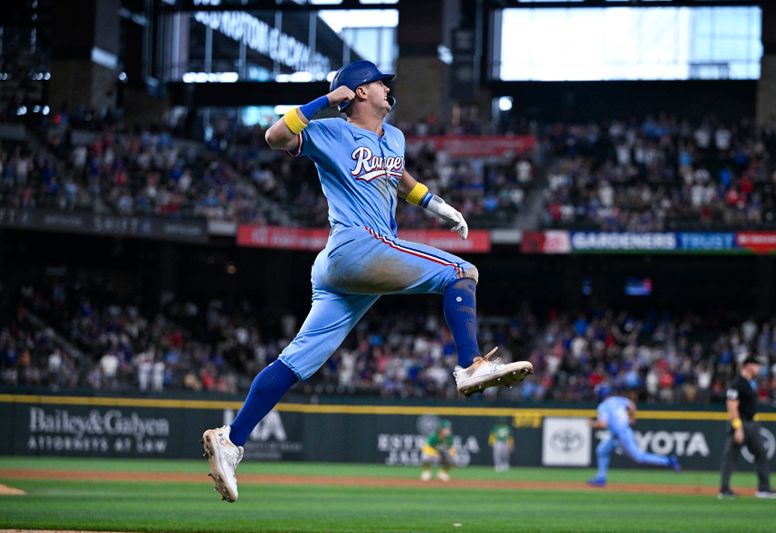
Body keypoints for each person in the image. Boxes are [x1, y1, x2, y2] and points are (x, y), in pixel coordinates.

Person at [200, 60, 533, 502]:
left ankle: (232, 439)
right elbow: (274, 136)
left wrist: (438, 206)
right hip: (357, 245)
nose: (387, 88)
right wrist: (324, 101)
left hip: (350, 271)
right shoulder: (330, 131)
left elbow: (398, 179)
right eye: (380, 82)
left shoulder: (393, 137)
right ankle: (470, 366)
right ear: (359, 92)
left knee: (298, 361)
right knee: (461, 271)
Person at [587, 385, 680, 487]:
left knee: (639, 457)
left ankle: (668, 461)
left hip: (622, 435)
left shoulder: (603, 406)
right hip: (619, 434)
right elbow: (631, 405)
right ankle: (601, 478)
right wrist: (632, 417)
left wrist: (591, 423)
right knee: (602, 450)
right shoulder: (617, 399)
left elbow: (603, 424)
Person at [718, 356, 776, 499]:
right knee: (730, 457)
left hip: (752, 424)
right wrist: (738, 427)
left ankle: (763, 489)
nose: (759, 369)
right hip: (741, 423)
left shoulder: (750, 383)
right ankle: (724, 489)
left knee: (761, 453)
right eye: (757, 365)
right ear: (748, 366)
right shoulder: (737, 383)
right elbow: (732, 407)